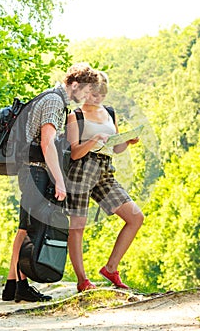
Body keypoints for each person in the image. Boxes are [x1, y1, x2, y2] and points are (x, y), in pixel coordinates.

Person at [2, 63, 100, 302]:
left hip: (32, 170)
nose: (86, 97)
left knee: (25, 227)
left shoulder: (52, 98)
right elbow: (46, 143)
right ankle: (19, 286)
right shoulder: (55, 101)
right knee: (29, 227)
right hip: (36, 171)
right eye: (85, 91)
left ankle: (13, 284)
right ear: (74, 85)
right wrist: (59, 181)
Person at [66, 72, 144, 292]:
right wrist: (92, 140)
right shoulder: (76, 115)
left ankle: (111, 268)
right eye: (94, 92)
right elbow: (74, 154)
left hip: (105, 169)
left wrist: (127, 141)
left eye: (102, 93)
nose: (98, 97)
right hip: (82, 168)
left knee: (135, 217)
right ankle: (82, 281)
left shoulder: (110, 112)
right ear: (86, 91)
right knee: (78, 226)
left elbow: (116, 148)